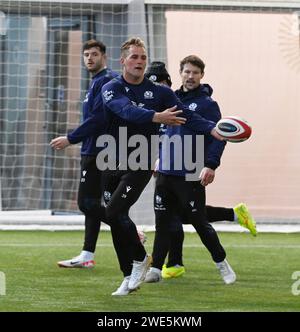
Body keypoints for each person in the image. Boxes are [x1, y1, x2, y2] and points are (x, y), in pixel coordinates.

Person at [100, 37, 225, 296]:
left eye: (143, 57)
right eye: (134, 57)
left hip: (140, 159)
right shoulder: (111, 87)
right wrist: (157, 116)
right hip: (112, 157)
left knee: (113, 213)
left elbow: (187, 116)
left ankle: (140, 259)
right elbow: (125, 111)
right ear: (123, 61)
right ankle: (128, 276)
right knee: (115, 218)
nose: (139, 61)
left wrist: (212, 130)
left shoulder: (162, 93)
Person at [144, 61, 257, 280]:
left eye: (195, 72)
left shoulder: (207, 105)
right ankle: (156, 269)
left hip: (190, 172)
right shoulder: (171, 101)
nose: (191, 76)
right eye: (187, 71)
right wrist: (158, 157)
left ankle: (222, 264)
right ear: (180, 73)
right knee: (163, 222)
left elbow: (219, 137)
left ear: (202, 75)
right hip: (165, 173)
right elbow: (163, 131)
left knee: (199, 222)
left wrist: (210, 165)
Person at [50, 39, 119, 268]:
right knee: (92, 204)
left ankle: (128, 228)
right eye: (86, 55)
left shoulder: (106, 81)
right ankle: (87, 256)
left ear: (104, 57)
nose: (90, 58)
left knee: (85, 203)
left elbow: (98, 120)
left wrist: (70, 138)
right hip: (93, 150)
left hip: (100, 152)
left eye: (94, 54)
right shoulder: (95, 82)